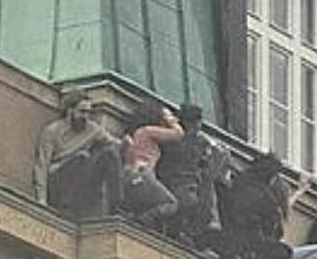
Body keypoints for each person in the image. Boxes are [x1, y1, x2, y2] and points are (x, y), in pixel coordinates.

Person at [33, 89, 124, 219]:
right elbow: (42, 166)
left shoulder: (92, 129)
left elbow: (115, 144)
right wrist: (41, 200)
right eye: (82, 112)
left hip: (80, 179)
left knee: (110, 153)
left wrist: (126, 145)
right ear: (70, 111)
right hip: (58, 180)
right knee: (80, 158)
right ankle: (66, 208)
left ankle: (116, 206)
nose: (86, 117)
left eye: (89, 113)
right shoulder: (52, 131)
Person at [155, 103, 231, 246]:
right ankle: (184, 232)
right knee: (192, 203)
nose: (197, 127)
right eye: (194, 123)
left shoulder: (199, 141)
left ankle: (194, 232)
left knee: (202, 200)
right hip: (175, 182)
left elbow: (204, 166)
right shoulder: (177, 138)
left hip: (189, 183)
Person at [120, 99, 184, 229]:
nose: (173, 118)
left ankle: (135, 219)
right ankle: (143, 220)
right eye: (169, 115)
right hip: (143, 174)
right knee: (171, 203)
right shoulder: (147, 131)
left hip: (127, 179)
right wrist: (172, 122)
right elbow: (178, 135)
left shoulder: (131, 137)